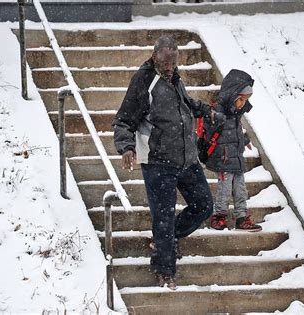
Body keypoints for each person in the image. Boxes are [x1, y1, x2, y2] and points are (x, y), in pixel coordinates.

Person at [112, 36, 224, 290]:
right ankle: (165, 270)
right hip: (158, 162)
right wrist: (126, 148)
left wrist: (204, 110)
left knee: (204, 205)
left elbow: (184, 104)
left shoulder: (174, 77)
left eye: (174, 61)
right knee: (163, 216)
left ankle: (168, 238)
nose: (170, 66)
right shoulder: (144, 80)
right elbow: (123, 120)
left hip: (186, 159)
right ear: (154, 56)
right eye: (166, 61)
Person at [204, 69, 262, 232]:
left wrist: (244, 140)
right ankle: (218, 215)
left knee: (240, 189)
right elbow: (213, 134)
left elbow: (234, 131)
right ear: (232, 95)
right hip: (223, 159)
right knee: (225, 189)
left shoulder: (235, 114)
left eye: (245, 100)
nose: (243, 103)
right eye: (241, 99)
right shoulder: (217, 112)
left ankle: (242, 217)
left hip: (236, 158)